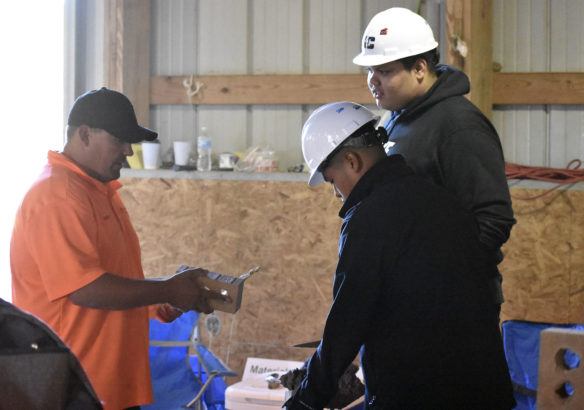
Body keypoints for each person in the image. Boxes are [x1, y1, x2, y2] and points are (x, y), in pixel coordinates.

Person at [286, 102, 515, 409]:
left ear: (352, 161)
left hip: (422, 394)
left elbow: (348, 321)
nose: (336, 193)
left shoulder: (369, 218)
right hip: (484, 388)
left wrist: (305, 400)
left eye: (331, 180)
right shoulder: (442, 200)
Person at [10, 87, 227, 410]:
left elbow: (112, 279)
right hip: (73, 389)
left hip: (108, 389)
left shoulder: (96, 192)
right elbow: (87, 290)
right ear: (84, 134)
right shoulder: (58, 196)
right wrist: (167, 288)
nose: (128, 150)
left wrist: (165, 299)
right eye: (119, 140)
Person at [353, 7, 516, 307]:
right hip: (406, 296)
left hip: (451, 306)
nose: (373, 81)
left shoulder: (459, 126)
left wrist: (436, 277)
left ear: (419, 68)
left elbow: (494, 219)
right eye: (370, 71)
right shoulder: (397, 119)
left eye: (385, 71)